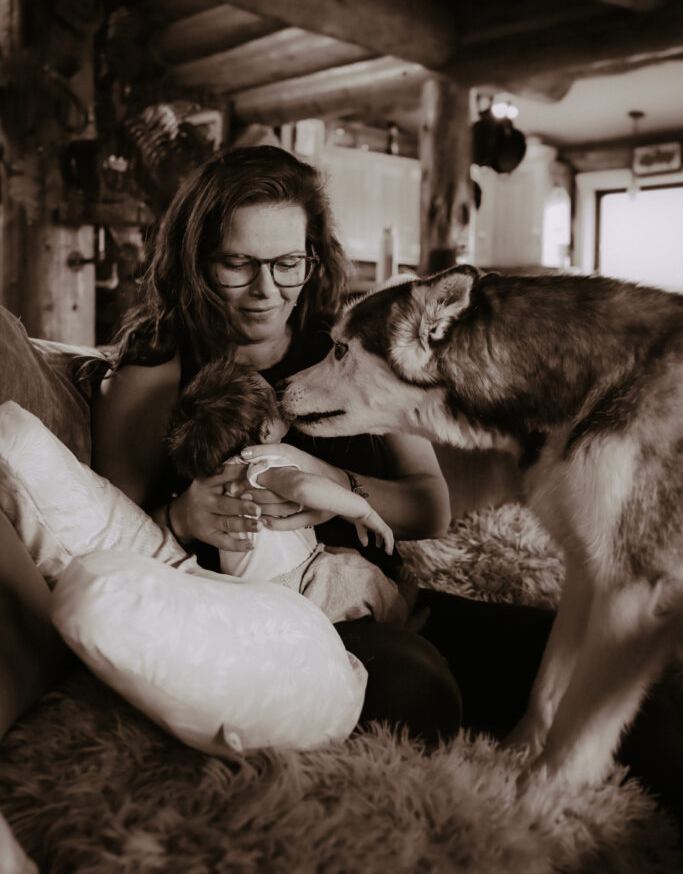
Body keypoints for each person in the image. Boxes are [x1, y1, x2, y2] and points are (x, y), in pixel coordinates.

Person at [90, 145, 683, 823]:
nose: (266, 291)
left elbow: (429, 509)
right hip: (270, 622)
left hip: (389, 598)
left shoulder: (353, 349)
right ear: (195, 259)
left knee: (640, 702)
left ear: (312, 256)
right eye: (237, 264)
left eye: (288, 263)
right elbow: (112, 541)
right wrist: (182, 516)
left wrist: (330, 476)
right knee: (418, 691)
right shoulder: (153, 368)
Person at [167, 355, 415, 625]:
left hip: (254, 598)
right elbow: (303, 486)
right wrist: (361, 509)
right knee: (365, 578)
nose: (282, 399)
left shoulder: (218, 478)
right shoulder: (259, 462)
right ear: (264, 430)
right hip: (296, 585)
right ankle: (400, 615)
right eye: (275, 399)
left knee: (346, 555)